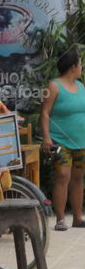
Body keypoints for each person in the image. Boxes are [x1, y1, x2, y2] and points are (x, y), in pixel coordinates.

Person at [41, 49, 85, 231]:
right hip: (60, 140)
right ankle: (60, 219)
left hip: (81, 141)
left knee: (78, 178)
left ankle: (77, 217)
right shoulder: (53, 86)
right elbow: (44, 113)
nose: (82, 67)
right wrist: (46, 137)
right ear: (73, 67)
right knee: (62, 176)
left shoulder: (81, 86)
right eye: (80, 64)